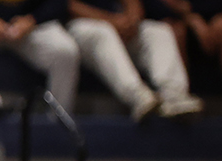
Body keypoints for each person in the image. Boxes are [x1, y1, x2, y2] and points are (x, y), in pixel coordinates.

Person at [67, 0, 203, 118]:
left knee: (158, 31)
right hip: (79, 26)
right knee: (102, 33)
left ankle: (174, 95)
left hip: (117, 22)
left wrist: (132, 20)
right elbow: (68, 5)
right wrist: (111, 21)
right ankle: (138, 97)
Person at [157, 0, 222, 114]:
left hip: (216, 18)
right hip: (177, 20)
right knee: (172, 31)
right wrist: (192, 19)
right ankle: (179, 96)